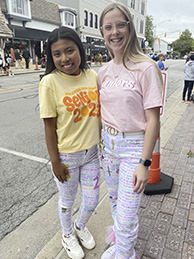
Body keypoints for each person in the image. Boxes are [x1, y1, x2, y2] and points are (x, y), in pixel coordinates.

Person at [97, 3, 163, 259]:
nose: (114, 32)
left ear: (130, 27)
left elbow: (153, 121)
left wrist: (145, 163)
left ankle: (126, 254)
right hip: (108, 148)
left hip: (134, 148)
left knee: (127, 214)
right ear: (103, 32)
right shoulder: (103, 72)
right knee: (115, 205)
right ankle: (122, 246)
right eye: (108, 27)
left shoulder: (146, 68)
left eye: (120, 24)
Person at [39, 26, 101, 259]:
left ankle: (79, 227)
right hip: (66, 156)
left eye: (69, 50)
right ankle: (67, 235)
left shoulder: (93, 76)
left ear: (80, 50)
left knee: (92, 200)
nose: (64, 58)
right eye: (57, 54)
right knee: (67, 201)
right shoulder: (49, 82)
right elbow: (48, 126)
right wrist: (55, 161)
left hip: (92, 153)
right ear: (51, 57)